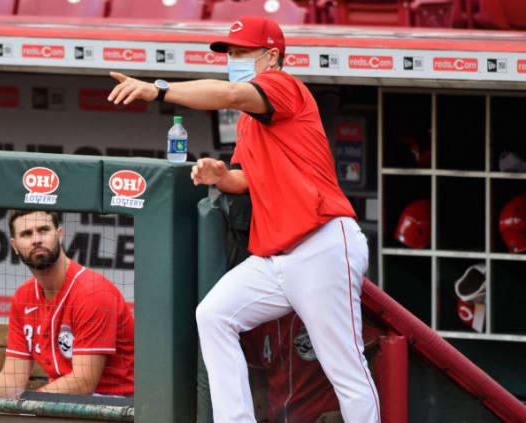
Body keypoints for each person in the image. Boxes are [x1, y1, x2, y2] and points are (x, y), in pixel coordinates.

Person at [107, 15, 380, 423]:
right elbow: (247, 179)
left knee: (344, 367)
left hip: (322, 242)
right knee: (214, 315)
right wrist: (221, 176)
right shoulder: (253, 123)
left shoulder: (283, 86)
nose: (232, 59)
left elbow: (232, 93)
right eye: (229, 53)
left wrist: (158, 89)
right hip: (278, 259)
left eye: (241, 52)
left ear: (272, 56)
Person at [0, 210, 134, 398]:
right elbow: (12, 378)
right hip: (59, 402)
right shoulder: (23, 297)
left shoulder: (93, 292)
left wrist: (25, 403)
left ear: (59, 236)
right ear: (14, 245)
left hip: (116, 405)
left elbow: (83, 383)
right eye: (26, 234)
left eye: (43, 230)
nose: (36, 239)